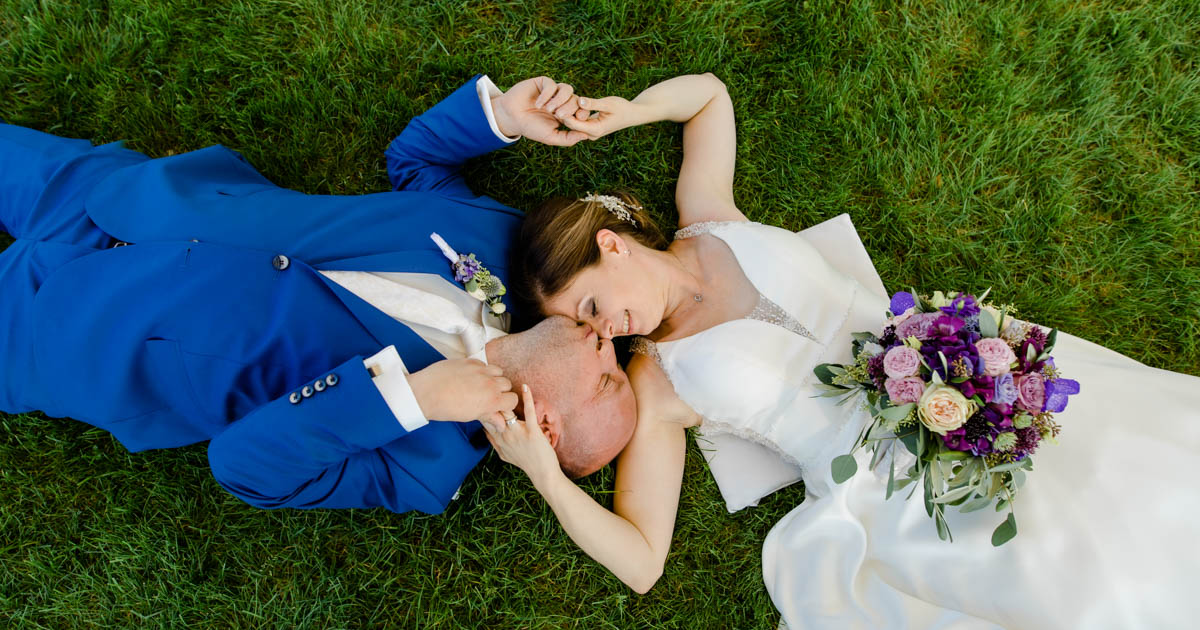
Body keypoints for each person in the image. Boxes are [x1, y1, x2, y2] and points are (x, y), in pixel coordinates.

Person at [491, 73, 1200, 628]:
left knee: (1131, 461)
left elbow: (707, 98)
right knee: (1079, 576)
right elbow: (643, 562)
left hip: (955, 366)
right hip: (897, 482)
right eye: (585, 328)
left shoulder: (711, 218)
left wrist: (624, 111)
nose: (606, 330)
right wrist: (545, 477)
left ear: (612, 246)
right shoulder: (658, 383)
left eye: (590, 306)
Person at [0, 74, 636, 514]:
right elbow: (415, 167)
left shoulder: (425, 462)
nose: (611, 341)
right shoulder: (508, 253)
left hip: (74, 337)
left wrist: (408, 399)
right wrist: (500, 118)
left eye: (606, 377)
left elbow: (245, 468)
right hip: (128, 199)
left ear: (546, 426)